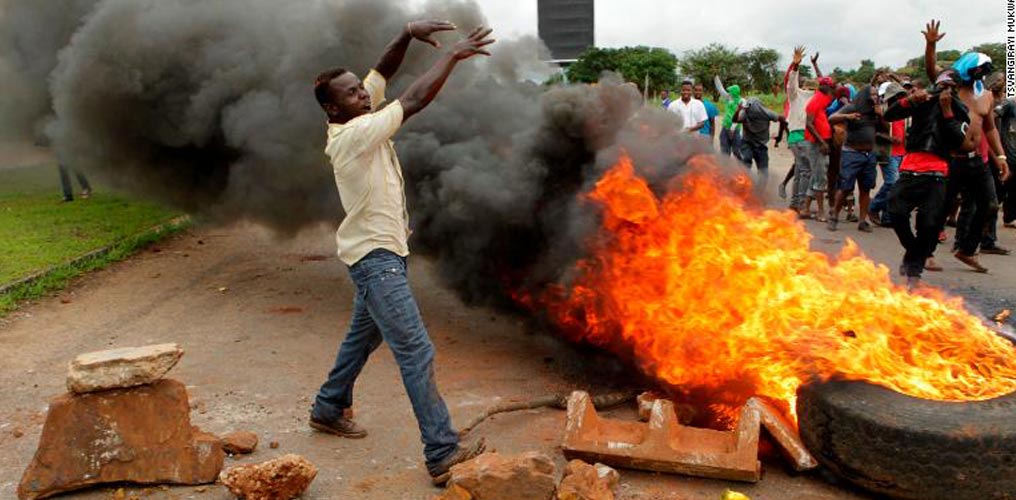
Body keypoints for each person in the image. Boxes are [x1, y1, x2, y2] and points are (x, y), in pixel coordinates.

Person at [310, 20, 493, 484]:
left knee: (361, 339)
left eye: (359, 89)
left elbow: (380, 73)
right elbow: (411, 101)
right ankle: (441, 451)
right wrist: (452, 56)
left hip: (380, 255)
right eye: (352, 94)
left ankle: (329, 408)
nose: (364, 94)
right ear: (334, 108)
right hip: (376, 261)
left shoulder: (353, 114)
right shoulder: (353, 135)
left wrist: (408, 33)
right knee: (415, 350)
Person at [924, 20, 1011, 271]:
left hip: (977, 161)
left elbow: (990, 128)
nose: (981, 74)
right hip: (951, 160)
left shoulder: (985, 95)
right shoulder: (950, 89)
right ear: (968, 69)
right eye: (978, 69)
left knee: (990, 205)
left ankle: (966, 249)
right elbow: (933, 70)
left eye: (985, 70)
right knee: (940, 208)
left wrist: (1002, 158)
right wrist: (930, 45)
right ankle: (926, 251)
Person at [884, 70, 970, 288]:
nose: (944, 89)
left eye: (950, 86)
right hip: (910, 168)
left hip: (937, 173)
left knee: (930, 225)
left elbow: (959, 140)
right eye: (942, 84)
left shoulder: (960, 110)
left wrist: (948, 111)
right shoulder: (922, 102)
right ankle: (914, 253)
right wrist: (910, 100)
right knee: (895, 212)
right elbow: (889, 115)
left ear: (956, 89)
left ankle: (914, 271)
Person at [828, 82, 883, 232]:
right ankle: (834, 217)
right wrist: (848, 116)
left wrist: (880, 115)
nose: (876, 97)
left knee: (865, 188)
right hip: (852, 153)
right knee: (845, 187)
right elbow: (832, 118)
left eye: (877, 94)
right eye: (872, 94)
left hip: (869, 154)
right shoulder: (853, 107)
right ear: (865, 95)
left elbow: (885, 128)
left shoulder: (875, 111)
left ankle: (862, 221)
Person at [782, 46, 822, 210]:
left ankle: (794, 203)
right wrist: (796, 65)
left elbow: (792, 82)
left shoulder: (801, 95)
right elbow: (792, 82)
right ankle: (799, 203)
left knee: (800, 170)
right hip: (802, 137)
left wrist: (797, 65)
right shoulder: (798, 95)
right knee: (806, 171)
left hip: (795, 137)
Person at [869, 81, 907, 227]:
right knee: (892, 183)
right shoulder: (881, 111)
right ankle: (874, 206)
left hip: (902, 152)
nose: (899, 98)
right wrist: (889, 138)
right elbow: (875, 132)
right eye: (897, 96)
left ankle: (887, 217)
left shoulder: (905, 111)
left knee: (896, 186)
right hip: (888, 151)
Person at [799, 76, 836, 221]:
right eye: (831, 87)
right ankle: (821, 212)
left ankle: (806, 208)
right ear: (825, 88)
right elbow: (808, 123)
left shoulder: (823, 98)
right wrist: (822, 142)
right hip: (816, 144)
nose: (832, 90)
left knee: (816, 176)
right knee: (820, 178)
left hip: (820, 143)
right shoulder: (815, 101)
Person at [734, 96, 784, 194]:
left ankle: (759, 194)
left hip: (761, 146)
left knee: (764, 172)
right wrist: (738, 110)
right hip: (747, 143)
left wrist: (780, 136)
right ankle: (743, 191)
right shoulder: (745, 113)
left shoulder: (767, 113)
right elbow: (735, 120)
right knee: (745, 164)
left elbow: (782, 119)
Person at [992, 74, 1016, 229]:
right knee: (999, 189)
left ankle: (1009, 217)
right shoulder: (1010, 102)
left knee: (1014, 189)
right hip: (1007, 153)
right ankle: (985, 223)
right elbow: (992, 116)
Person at [714, 75, 743, 158]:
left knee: (737, 151)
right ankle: (726, 168)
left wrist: (732, 129)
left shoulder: (741, 101)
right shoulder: (727, 98)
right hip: (725, 128)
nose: (728, 93)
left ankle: (740, 168)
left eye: (730, 91)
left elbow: (740, 117)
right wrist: (716, 77)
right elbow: (720, 88)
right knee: (724, 152)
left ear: (734, 92)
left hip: (736, 130)